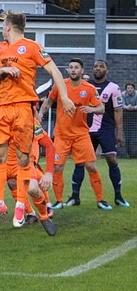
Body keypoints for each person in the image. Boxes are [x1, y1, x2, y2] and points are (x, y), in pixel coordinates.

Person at [0, 10, 74, 226]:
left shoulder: (32, 46)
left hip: (24, 108)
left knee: (23, 159)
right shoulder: (0, 48)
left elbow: (55, 71)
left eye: (2, 26)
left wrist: (64, 96)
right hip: (2, 108)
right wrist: (5, 69)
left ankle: (22, 206)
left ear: (8, 27)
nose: (1, 31)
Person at [38, 58, 110, 210]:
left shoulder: (89, 88)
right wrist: (40, 114)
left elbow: (101, 108)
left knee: (90, 166)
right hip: (61, 135)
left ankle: (100, 199)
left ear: (82, 71)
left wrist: (92, 109)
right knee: (57, 168)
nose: (73, 70)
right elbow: (48, 101)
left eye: (76, 67)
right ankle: (58, 201)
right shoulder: (61, 85)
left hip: (81, 135)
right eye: (70, 67)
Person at [83, 60, 129, 207]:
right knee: (82, 162)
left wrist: (119, 132)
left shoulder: (113, 87)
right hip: (86, 129)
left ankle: (118, 196)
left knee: (112, 159)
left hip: (106, 129)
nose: (98, 68)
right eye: (96, 66)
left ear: (107, 70)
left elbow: (118, 110)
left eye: (101, 66)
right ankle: (74, 197)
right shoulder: (86, 86)